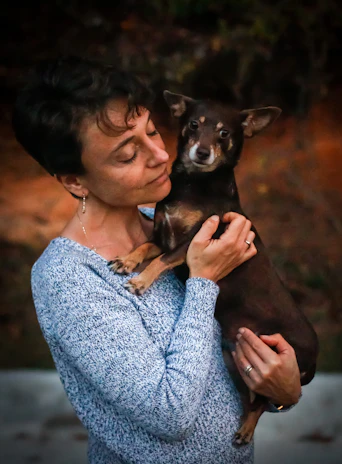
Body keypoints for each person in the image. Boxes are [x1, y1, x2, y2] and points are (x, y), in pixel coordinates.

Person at [13, 56, 301, 464]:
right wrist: (202, 282)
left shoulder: (168, 227)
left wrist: (282, 395)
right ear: (74, 180)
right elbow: (170, 414)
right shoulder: (67, 279)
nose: (161, 156)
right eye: (127, 155)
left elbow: (227, 364)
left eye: (152, 132)